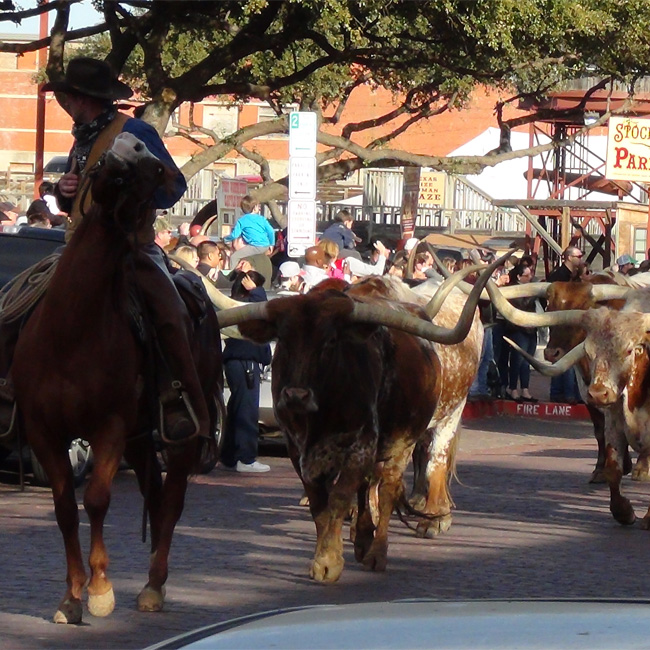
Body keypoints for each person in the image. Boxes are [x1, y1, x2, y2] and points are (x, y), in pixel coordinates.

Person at [0, 56, 207, 443]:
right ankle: (9, 390)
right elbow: (73, 199)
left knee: (169, 314)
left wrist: (137, 184)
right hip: (76, 249)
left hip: (132, 249)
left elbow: (173, 187)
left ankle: (181, 404)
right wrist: (65, 193)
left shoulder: (138, 132)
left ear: (82, 98)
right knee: (11, 305)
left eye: (67, 97)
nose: (64, 105)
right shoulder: (81, 138)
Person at [221, 267, 272, 473]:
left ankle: (230, 456)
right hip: (245, 363)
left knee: (237, 408)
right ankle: (246, 458)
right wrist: (256, 292)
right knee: (246, 410)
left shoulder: (237, 305)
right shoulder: (245, 305)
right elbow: (259, 310)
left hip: (239, 363)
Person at [546, 245, 583, 404]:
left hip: (571, 322)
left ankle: (565, 392)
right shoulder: (559, 275)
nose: (580, 259)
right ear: (569, 257)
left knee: (568, 356)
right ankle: (563, 393)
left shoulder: (574, 276)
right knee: (562, 354)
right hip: (560, 322)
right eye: (578, 256)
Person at [223, 195, 275, 269]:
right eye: (257, 206)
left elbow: (234, 235)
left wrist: (226, 239)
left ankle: (232, 275)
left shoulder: (241, 221)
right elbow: (271, 231)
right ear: (254, 208)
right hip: (265, 245)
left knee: (234, 257)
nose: (259, 208)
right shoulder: (262, 219)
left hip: (255, 246)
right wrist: (271, 244)